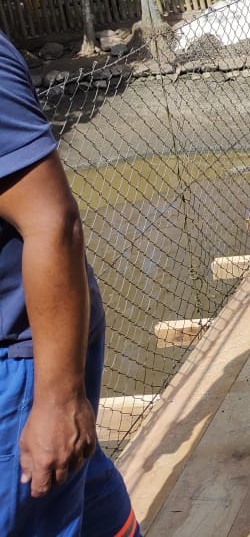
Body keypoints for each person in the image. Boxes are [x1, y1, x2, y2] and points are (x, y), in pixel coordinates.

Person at [0, 32, 143, 535]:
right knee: (76, 484)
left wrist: (58, 401)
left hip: (20, 351)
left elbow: (52, 222)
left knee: (40, 483)